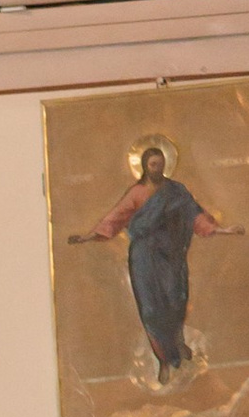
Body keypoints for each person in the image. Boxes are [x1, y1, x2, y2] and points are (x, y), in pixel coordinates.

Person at [74, 139, 239, 384]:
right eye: (152, 164)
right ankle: (163, 360)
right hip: (144, 259)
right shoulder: (137, 193)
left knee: (175, 301)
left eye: (160, 165)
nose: (157, 169)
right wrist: (89, 236)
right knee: (151, 310)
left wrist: (223, 231)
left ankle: (177, 343)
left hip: (171, 258)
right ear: (144, 166)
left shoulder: (177, 191)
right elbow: (115, 219)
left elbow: (196, 215)